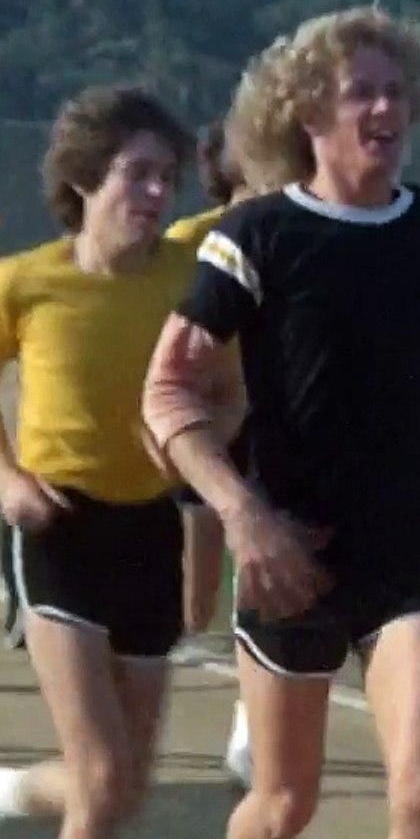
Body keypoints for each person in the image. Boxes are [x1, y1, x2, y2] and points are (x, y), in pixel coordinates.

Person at [143, 4, 420, 839]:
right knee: (284, 803)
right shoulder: (256, 236)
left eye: (397, 91)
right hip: (292, 554)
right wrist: (242, 514)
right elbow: (167, 390)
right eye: (362, 93)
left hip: (406, 548)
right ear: (309, 113)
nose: (386, 108)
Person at [0, 84, 222, 839]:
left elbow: (232, 390)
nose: (156, 192)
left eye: (167, 177)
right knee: (98, 779)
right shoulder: (23, 281)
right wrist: (5, 480)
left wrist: (198, 440)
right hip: (57, 527)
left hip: (150, 531)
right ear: (86, 177)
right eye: (137, 173)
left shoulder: (193, 281)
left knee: (126, 791)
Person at [161, 120, 263, 786]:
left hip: (275, 422)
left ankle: (248, 730)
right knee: (194, 609)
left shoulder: (302, 230)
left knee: (262, 564)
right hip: (208, 422)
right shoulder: (188, 242)